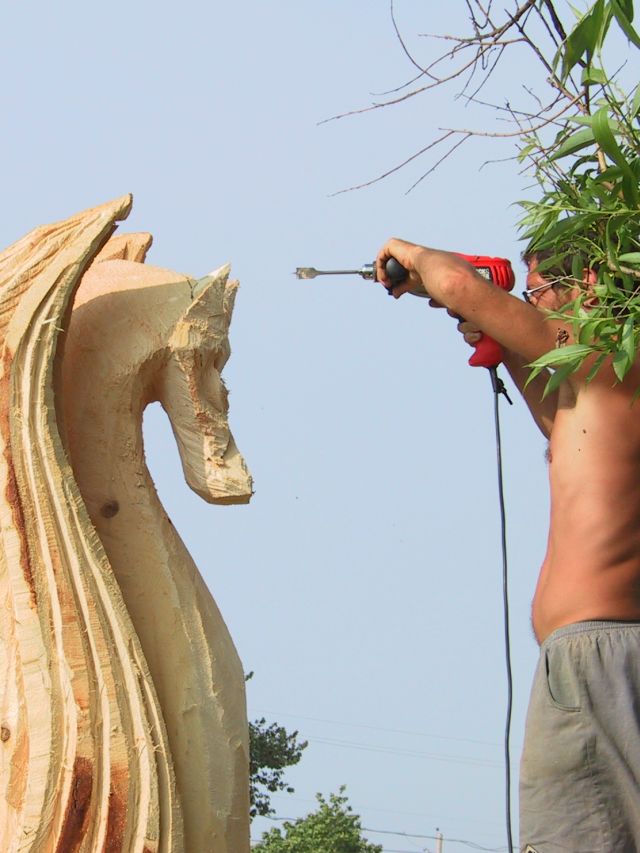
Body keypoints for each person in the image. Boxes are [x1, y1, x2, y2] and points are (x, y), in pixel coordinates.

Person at [375, 238, 640, 853]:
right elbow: (564, 431)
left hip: (592, 664)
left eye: (541, 290)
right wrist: (504, 346)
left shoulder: (598, 354)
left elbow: (462, 287)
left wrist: (424, 258)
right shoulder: (610, 381)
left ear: (593, 280)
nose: (533, 303)